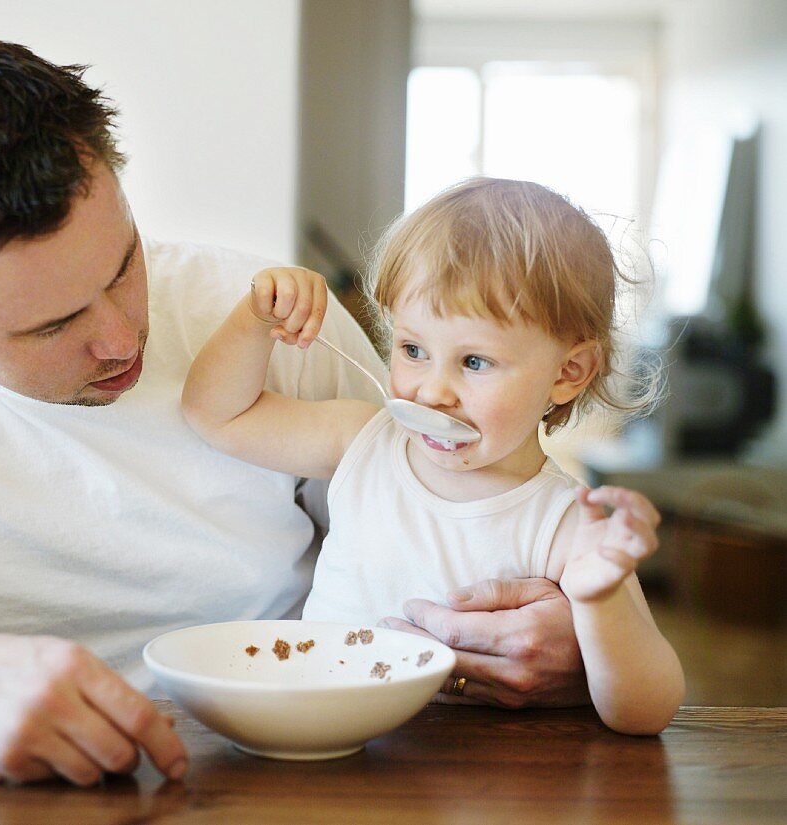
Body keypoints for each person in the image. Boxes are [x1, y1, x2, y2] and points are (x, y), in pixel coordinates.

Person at [0, 38, 587, 788]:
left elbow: (444, 534)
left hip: (290, 772)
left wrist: (557, 634)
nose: (123, 338)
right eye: (55, 322)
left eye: (122, 264)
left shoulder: (269, 318)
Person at [182, 177, 685, 734]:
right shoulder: (361, 441)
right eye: (413, 350)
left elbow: (646, 713)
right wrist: (255, 319)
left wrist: (601, 603)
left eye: (474, 362)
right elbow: (218, 416)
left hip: (471, 774)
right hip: (322, 743)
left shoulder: (566, 525)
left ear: (568, 373)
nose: (430, 391)